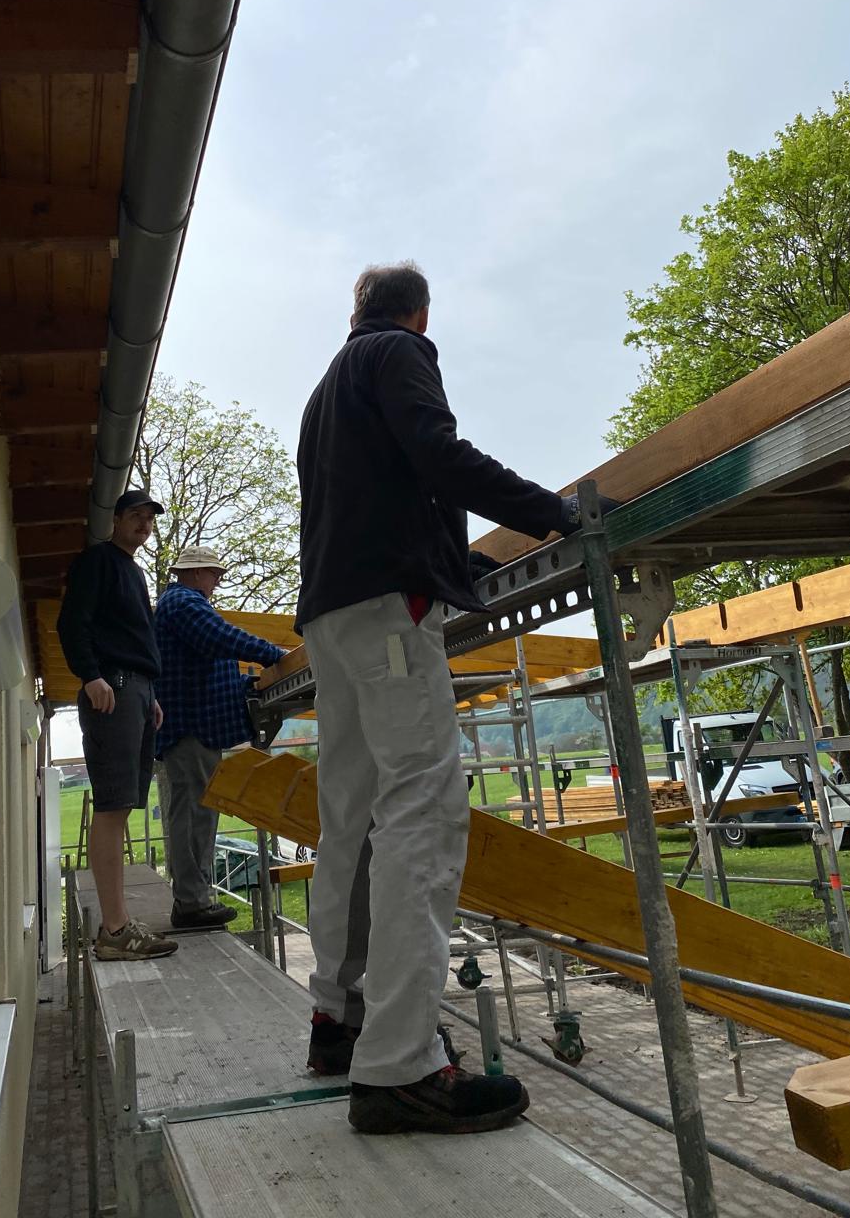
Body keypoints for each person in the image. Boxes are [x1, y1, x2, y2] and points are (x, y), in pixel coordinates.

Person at [296, 262, 603, 1135]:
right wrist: (554, 513)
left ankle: (340, 1019)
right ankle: (401, 1065)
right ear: (421, 315)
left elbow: (382, 496)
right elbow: (439, 455)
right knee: (423, 814)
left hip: (334, 614)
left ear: (356, 310)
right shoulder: (400, 353)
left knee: (349, 819)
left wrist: (446, 558)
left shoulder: (326, 391)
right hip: (387, 613)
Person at [56, 488, 177, 961]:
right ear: (116, 519)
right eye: (136, 516)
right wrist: (91, 676)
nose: (144, 525)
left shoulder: (135, 571)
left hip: (138, 691)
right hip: (114, 688)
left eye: (150, 518)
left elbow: (134, 637)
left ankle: (119, 923)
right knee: (112, 806)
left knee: (123, 805)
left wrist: (151, 694)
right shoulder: (97, 561)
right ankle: (114, 930)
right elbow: (73, 623)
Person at [154, 546, 287, 930]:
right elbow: (221, 638)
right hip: (191, 727)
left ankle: (194, 899)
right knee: (195, 811)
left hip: (193, 727)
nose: (218, 581)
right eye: (215, 574)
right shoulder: (184, 603)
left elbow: (210, 659)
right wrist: (273, 654)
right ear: (196, 573)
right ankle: (192, 902)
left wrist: (244, 684)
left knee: (197, 809)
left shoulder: (180, 604)